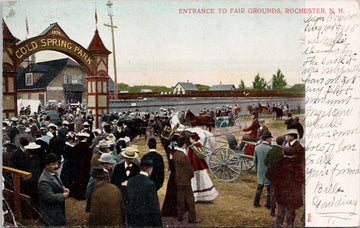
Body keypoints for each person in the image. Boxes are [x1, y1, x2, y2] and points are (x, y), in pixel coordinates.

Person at [266, 147, 305, 227]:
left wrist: (277, 183)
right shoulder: (297, 166)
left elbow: (269, 175)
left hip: (281, 192)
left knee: (281, 211)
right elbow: (301, 179)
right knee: (291, 212)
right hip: (293, 193)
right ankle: (290, 225)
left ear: (283, 154)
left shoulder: (279, 164)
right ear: (293, 155)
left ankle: (278, 225)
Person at [127, 158, 163, 227]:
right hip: (146, 220)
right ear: (150, 169)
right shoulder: (150, 184)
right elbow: (154, 207)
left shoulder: (131, 181)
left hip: (132, 218)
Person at [173, 136, 201, 224]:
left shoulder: (175, 154)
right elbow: (189, 169)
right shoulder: (183, 156)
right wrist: (191, 175)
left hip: (178, 179)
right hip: (185, 180)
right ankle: (192, 217)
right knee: (190, 198)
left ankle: (180, 216)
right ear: (184, 145)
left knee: (180, 197)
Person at [38, 153, 70, 226]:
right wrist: (63, 196)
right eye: (53, 164)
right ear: (46, 165)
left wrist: (63, 188)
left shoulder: (52, 173)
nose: (56, 166)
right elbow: (49, 197)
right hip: (50, 212)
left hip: (57, 210)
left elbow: (57, 183)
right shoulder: (44, 181)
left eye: (57, 163)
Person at [187, 132, 218, 201]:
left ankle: (195, 196)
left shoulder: (191, 148)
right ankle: (204, 196)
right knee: (203, 180)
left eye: (190, 139)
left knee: (194, 181)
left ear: (193, 139)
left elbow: (189, 158)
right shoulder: (200, 145)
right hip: (201, 167)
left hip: (194, 167)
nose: (189, 140)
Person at [264, 136, 285, 217]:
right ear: (282, 143)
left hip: (270, 174)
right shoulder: (282, 152)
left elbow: (266, 162)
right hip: (279, 176)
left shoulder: (271, 150)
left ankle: (272, 210)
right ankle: (278, 211)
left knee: (271, 191)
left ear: (276, 142)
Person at [254, 131, 273, 208]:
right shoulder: (270, 149)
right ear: (267, 139)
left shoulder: (257, 147)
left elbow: (255, 160)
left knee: (260, 187)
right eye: (270, 138)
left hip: (260, 170)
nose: (271, 140)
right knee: (268, 188)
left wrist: (257, 168)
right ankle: (268, 204)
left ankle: (256, 202)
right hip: (267, 171)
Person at [73, 131, 92, 200]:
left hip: (78, 164)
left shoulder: (76, 146)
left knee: (77, 178)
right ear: (85, 138)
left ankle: (77, 195)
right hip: (86, 165)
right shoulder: (88, 146)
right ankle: (83, 194)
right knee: (85, 179)